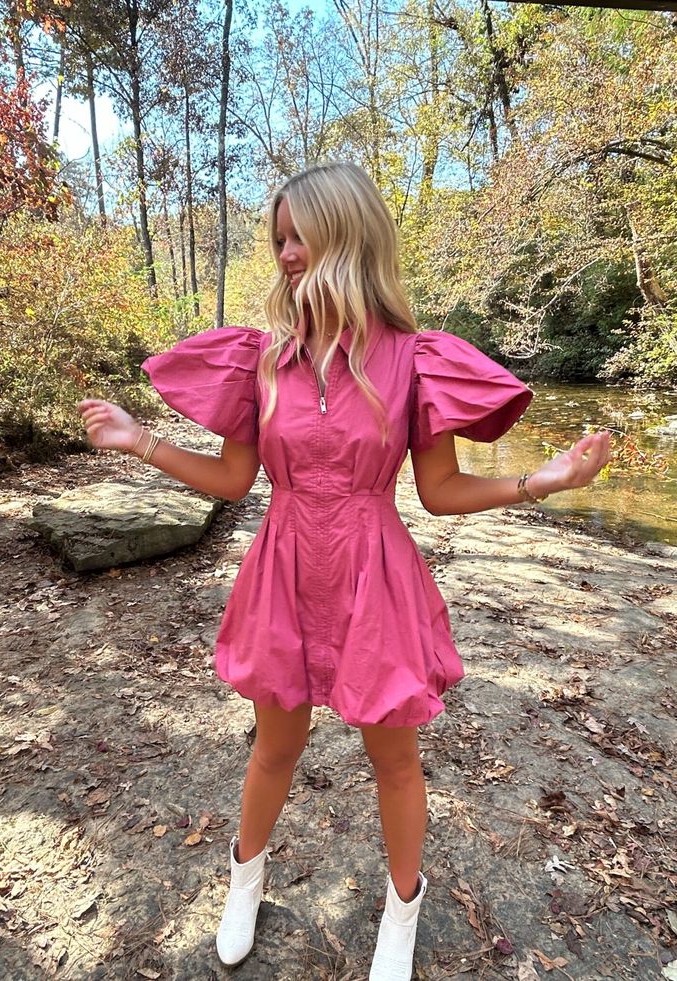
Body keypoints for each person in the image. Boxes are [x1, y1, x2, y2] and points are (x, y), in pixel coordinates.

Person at [79, 161, 610, 980]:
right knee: (274, 748)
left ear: (347, 235)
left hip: (374, 574)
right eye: (279, 238)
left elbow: (438, 492)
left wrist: (544, 481)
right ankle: (244, 880)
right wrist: (137, 440)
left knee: (393, 759)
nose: (286, 253)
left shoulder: (414, 359)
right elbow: (232, 480)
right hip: (284, 568)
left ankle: (402, 911)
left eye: (300, 236)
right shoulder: (262, 359)